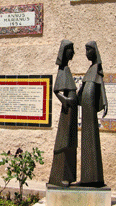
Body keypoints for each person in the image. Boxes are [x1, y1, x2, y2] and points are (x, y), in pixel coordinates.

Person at [78, 41, 108, 187]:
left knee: (90, 138)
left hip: (90, 107)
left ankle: (92, 178)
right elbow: (83, 86)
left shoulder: (96, 68)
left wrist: (105, 103)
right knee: (86, 139)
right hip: (86, 106)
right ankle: (86, 177)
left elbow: (101, 85)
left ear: (94, 52)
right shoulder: (91, 68)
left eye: (88, 50)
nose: (86, 53)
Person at [48, 40, 78, 187]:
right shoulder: (62, 70)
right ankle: (60, 177)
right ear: (65, 51)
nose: (73, 52)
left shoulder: (67, 70)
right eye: (71, 50)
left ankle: (69, 176)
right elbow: (56, 90)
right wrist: (65, 100)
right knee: (64, 142)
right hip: (67, 111)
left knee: (71, 143)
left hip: (72, 111)